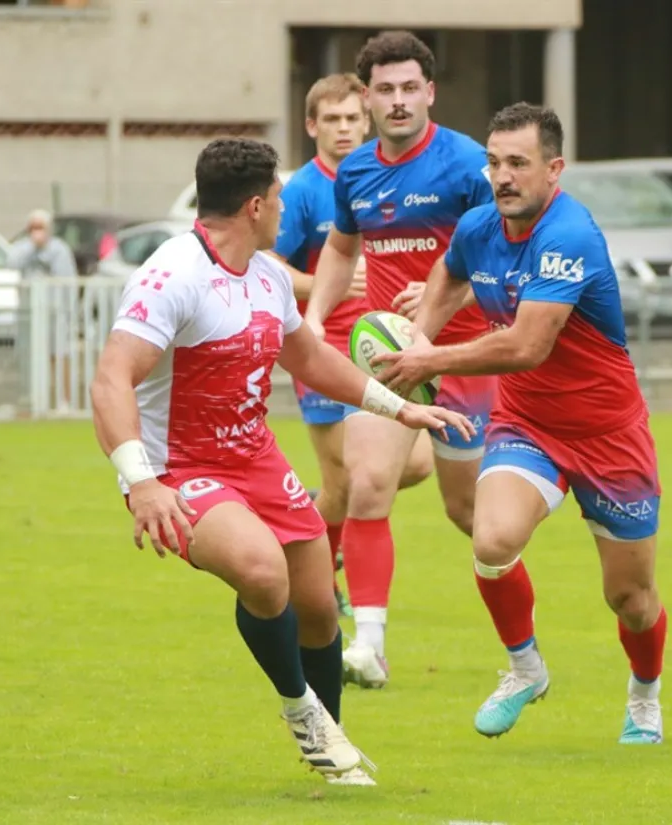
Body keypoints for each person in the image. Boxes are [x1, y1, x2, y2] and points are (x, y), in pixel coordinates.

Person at [89, 137, 474, 785]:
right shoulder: (172, 274)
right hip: (178, 467)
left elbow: (311, 361)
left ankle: (334, 745)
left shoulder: (267, 275)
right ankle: (303, 712)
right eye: (283, 199)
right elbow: (110, 379)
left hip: (255, 457)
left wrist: (397, 407)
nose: (289, 211)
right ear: (256, 204)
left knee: (319, 602)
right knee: (265, 574)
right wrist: (143, 482)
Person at [373, 103, 668, 745]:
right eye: (494, 162)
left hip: (608, 433)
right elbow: (451, 271)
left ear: (553, 169)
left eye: (517, 163)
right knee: (491, 540)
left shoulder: (570, 236)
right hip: (527, 422)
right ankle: (524, 669)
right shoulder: (480, 226)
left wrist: (429, 355)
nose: (501, 176)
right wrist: (420, 322)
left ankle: (644, 695)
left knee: (632, 599)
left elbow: (527, 345)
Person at [304, 30, 497, 689]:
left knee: (469, 514)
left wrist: (447, 289)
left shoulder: (468, 164)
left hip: (467, 357)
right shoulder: (356, 170)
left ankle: (523, 651)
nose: (398, 100)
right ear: (368, 96)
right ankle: (369, 645)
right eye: (384, 89)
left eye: (410, 87)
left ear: (430, 92)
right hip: (388, 359)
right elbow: (339, 249)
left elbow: (504, 255)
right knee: (366, 484)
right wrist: (311, 316)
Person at [269, 73, 433, 620]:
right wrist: (323, 288)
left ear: (367, 121)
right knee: (345, 480)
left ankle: (306, 528)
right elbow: (268, 261)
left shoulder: (384, 179)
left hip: (387, 345)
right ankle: (320, 578)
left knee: (413, 467)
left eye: (351, 119)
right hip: (323, 348)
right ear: (312, 126)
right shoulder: (304, 191)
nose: (344, 129)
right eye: (332, 120)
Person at [9, 208, 79, 410]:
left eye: (40, 227)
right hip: (30, 313)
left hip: (55, 312)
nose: (36, 231)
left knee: (58, 354)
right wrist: (33, 246)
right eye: (32, 227)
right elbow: (12, 262)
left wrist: (69, 309)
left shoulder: (59, 249)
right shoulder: (22, 248)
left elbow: (66, 278)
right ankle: (31, 400)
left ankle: (63, 401)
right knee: (30, 355)